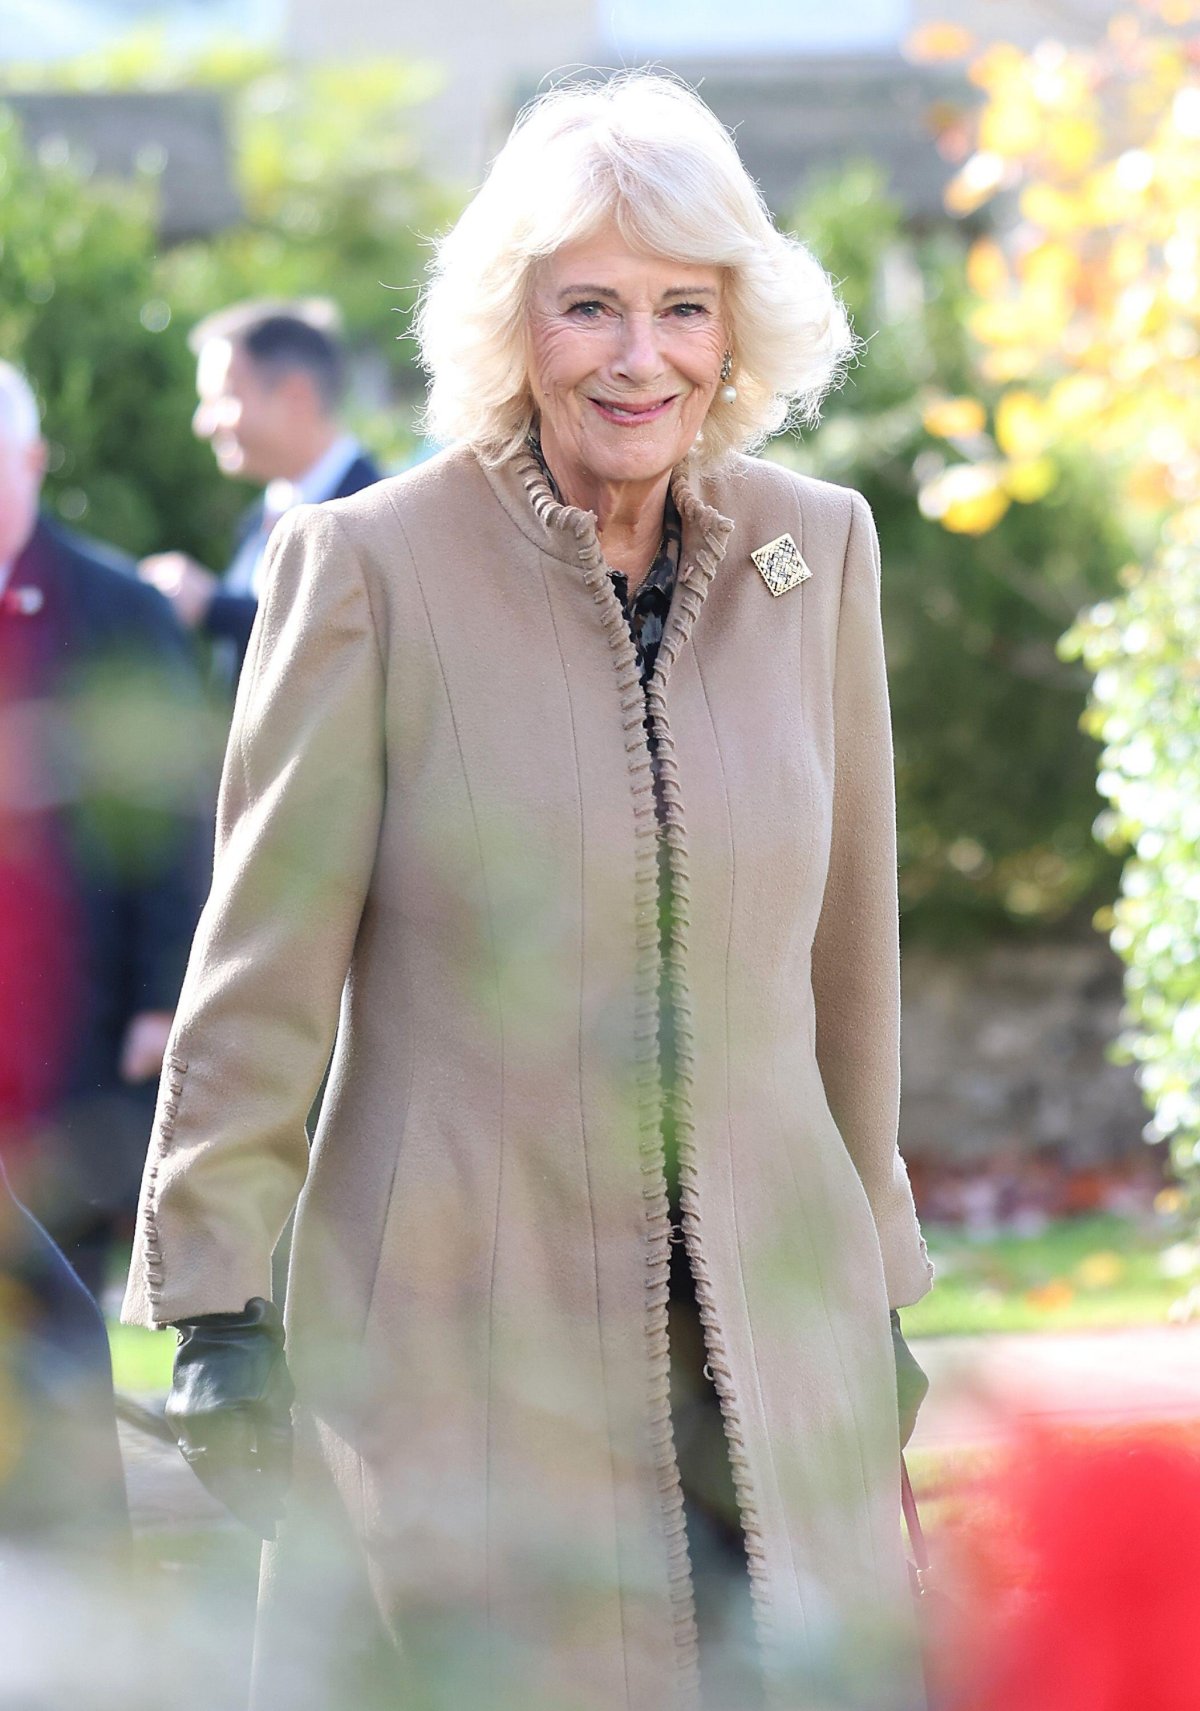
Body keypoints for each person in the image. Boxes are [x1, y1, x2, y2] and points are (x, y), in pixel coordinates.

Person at [123, 75, 933, 1711]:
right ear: (514, 326)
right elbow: (263, 964)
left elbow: (850, 965)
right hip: (465, 1317)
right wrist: (217, 1301)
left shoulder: (814, 551)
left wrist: (876, 1279)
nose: (642, 357)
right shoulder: (368, 565)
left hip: (768, 1346)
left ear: (737, 328)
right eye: (591, 308)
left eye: (683, 308)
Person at [0, 360, 209, 1297]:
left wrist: (162, 997)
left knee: (57, 1294)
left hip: (69, 1009)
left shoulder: (116, 608)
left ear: (33, 459)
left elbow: (175, 811)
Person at [139, 301, 382, 686]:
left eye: (223, 398)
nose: (202, 424)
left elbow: (334, 651)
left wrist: (212, 606)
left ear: (296, 396)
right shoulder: (259, 518)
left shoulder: (375, 514)